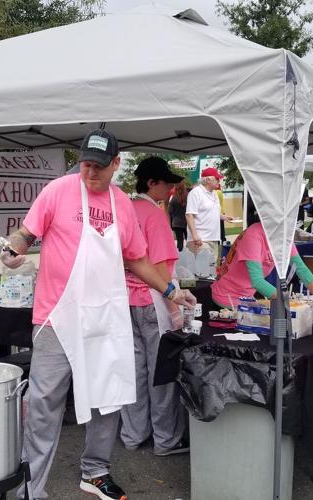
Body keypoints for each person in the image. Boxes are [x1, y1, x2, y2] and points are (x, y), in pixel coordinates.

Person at [0, 129, 196, 500]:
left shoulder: (122, 205)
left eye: (100, 167)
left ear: (117, 165)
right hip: (57, 314)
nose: (91, 173)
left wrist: (171, 289)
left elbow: (137, 259)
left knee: (109, 394)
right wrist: (12, 248)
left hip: (106, 315)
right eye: (86, 163)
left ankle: (96, 471)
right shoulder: (57, 191)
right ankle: (30, 484)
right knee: (45, 402)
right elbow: (26, 233)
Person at [121, 157, 188, 457]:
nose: (171, 188)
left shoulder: (122, 210)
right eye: (167, 182)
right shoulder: (154, 214)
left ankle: (133, 434)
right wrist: (174, 301)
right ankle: (166, 439)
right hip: (151, 299)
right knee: (160, 374)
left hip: (123, 300)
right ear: (151, 183)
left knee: (132, 371)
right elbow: (159, 265)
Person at [211, 221, 313, 311]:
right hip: (227, 299)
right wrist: (288, 303)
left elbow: (301, 269)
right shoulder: (253, 235)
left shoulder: (284, 236)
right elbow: (257, 281)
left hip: (246, 297)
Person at [185, 167, 232, 260]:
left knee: (211, 270)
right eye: (217, 179)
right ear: (207, 180)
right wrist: (195, 235)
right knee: (203, 271)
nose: (219, 181)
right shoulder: (196, 193)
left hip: (214, 238)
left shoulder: (214, 194)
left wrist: (224, 217)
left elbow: (210, 212)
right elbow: (189, 214)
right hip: (200, 240)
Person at [168, 181, 188, 252]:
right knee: (189, 240)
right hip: (187, 222)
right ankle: (191, 256)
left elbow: (170, 211)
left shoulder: (173, 198)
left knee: (180, 241)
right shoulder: (188, 197)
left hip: (176, 223)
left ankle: (180, 255)